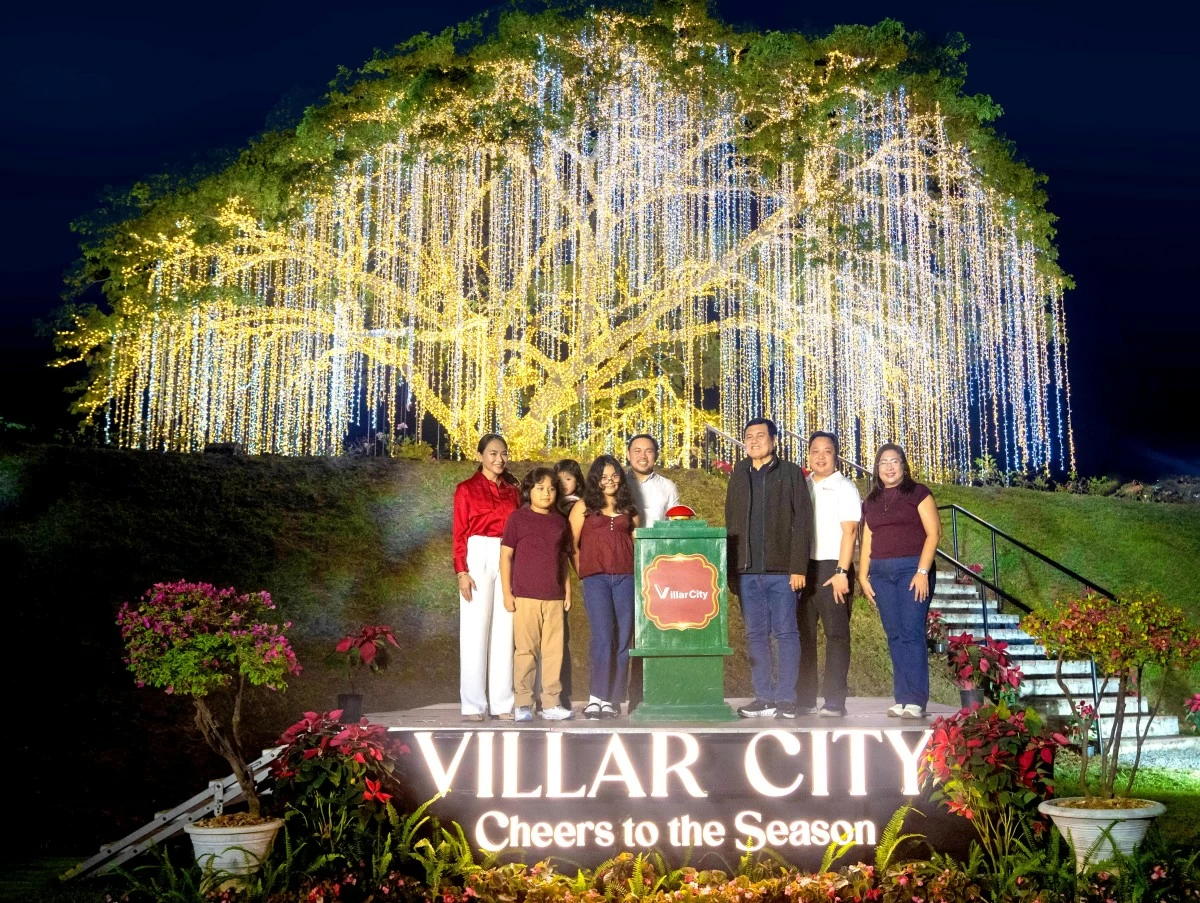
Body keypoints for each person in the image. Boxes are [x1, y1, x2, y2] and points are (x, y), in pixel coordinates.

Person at [724, 418, 814, 718]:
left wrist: (798, 566)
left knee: (786, 633)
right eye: (748, 436)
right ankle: (763, 697)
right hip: (747, 572)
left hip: (782, 572)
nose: (753, 441)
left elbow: (803, 522)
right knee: (755, 635)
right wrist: (731, 569)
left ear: (774, 440)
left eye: (760, 436)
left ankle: (786, 699)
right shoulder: (739, 474)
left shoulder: (790, 473)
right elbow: (731, 521)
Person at [858, 443, 941, 719]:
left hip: (911, 571)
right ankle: (902, 698)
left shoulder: (918, 493)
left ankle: (916, 699)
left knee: (911, 632)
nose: (889, 467)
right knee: (894, 634)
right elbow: (868, 539)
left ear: (903, 465)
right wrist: (863, 575)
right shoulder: (870, 501)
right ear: (877, 468)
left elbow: (934, 533)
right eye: (883, 462)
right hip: (881, 574)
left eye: (894, 461)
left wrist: (922, 572)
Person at [452, 434, 521, 721]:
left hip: (506, 554)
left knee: (506, 630)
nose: (499, 459)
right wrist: (462, 571)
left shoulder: (513, 492)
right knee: (474, 630)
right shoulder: (466, 489)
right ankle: (473, 704)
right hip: (477, 552)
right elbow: (459, 533)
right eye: (493, 453)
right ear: (480, 455)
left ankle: (503, 703)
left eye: (503, 453)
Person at [500, 466, 574, 722]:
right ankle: (523, 703)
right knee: (525, 651)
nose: (546, 493)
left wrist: (567, 591)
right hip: (525, 597)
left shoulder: (560, 522)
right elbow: (506, 556)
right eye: (540, 488)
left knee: (554, 652)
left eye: (551, 489)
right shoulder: (517, 519)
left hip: (553, 598)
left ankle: (551, 703)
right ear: (529, 491)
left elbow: (563, 560)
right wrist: (507, 593)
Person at [570, 454, 639, 719]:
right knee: (602, 637)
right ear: (595, 480)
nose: (609, 481)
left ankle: (612, 700)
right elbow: (572, 544)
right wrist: (584, 572)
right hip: (596, 579)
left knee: (623, 639)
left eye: (614, 475)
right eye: (603, 477)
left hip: (625, 578)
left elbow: (638, 543)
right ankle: (595, 698)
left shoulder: (629, 508)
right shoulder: (584, 506)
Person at [798, 431, 862, 717]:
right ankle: (804, 699)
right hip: (804, 568)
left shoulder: (845, 487)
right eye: (815, 451)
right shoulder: (803, 486)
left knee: (836, 635)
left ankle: (835, 701)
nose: (820, 456)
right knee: (803, 635)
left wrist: (841, 571)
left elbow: (850, 532)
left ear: (836, 456)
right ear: (808, 454)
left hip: (833, 568)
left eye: (827, 451)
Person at [552, 458, 586, 707]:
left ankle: (563, 695)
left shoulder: (585, 506)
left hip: (582, 568)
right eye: (560, 478)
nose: (564, 483)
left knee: (563, 638)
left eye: (569, 478)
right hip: (553, 573)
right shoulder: (548, 505)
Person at [625, 434, 680, 527]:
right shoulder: (618, 484)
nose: (643, 456)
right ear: (628, 455)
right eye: (637, 451)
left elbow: (675, 524)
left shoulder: (667, 486)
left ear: (656, 456)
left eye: (649, 451)